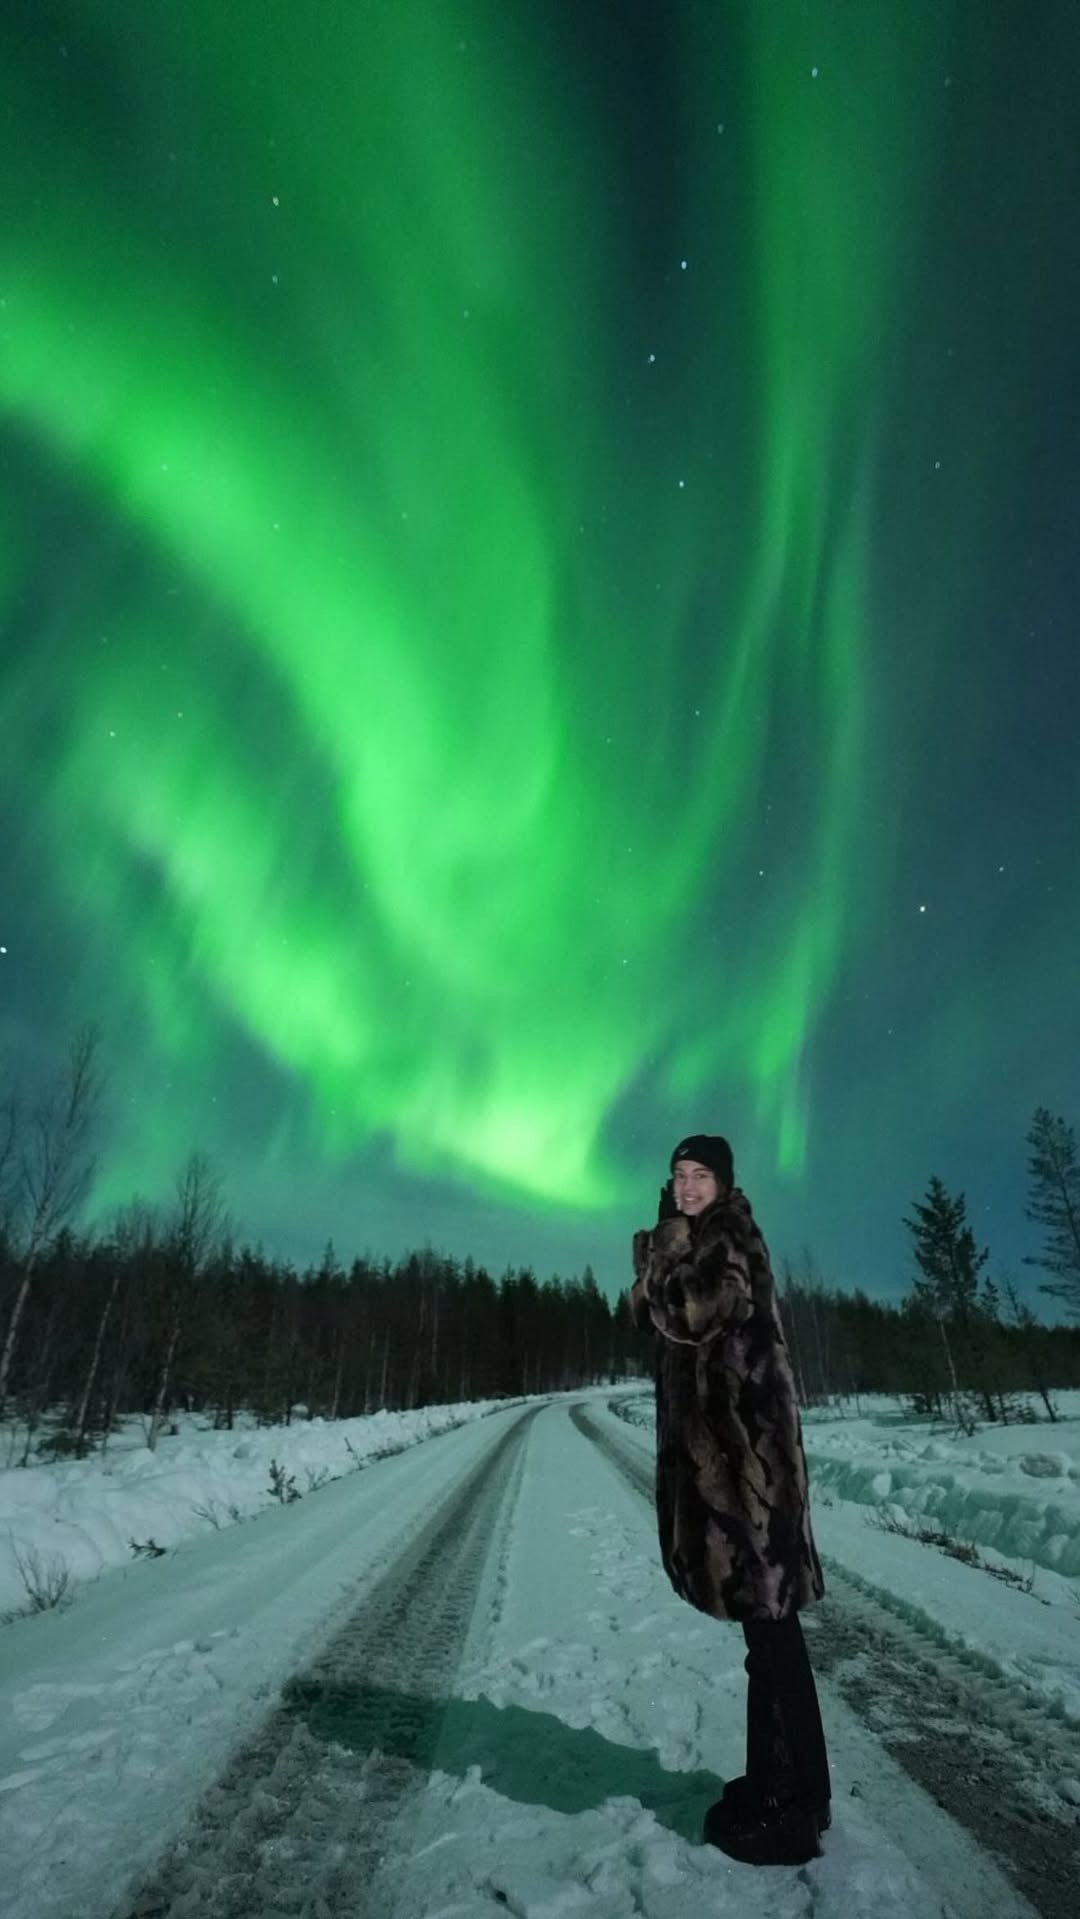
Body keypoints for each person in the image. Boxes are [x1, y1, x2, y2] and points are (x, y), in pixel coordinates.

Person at [630, 1134, 830, 1866]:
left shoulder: (726, 1239)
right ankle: (790, 1784)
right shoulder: (700, 1240)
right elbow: (649, 1316)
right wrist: (662, 1256)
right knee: (767, 1638)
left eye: (700, 1176)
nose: (686, 1186)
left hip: (750, 1475)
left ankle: (793, 1811)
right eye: (678, 1174)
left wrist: (662, 1251)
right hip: (735, 1471)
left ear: (723, 1184)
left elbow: (689, 1310)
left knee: (771, 1637)